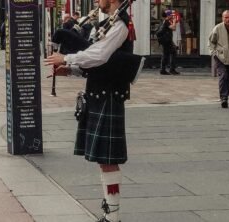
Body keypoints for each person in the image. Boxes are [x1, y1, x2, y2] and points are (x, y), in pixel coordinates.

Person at [45, 0, 136, 221]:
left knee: (107, 159)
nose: (96, 1)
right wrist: (70, 70)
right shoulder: (107, 23)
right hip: (99, 93)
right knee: (103, 160)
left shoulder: (121, 25)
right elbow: (96, 63)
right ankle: (110, 212)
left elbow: (99, 56)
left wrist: (66, 57)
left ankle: (113, 215)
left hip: (109, 96)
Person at [208, 10, 229, 108]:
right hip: (220, 57)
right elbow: (211, 42)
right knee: (223, 75)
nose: (227, 19)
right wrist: (214, 53)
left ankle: (226, 94)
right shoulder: (218, 28)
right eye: (225, 17)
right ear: (222, 18)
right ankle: (224, 98)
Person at [157, 10, 180, 75]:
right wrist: (175, 21)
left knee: (166, 54)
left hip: (167, 41)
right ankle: (170, 69)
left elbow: (172, 29)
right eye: (171, 15)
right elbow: (173, 28)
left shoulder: (164, 21)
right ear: (168, 16)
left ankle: (164, 69)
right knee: (170, 53)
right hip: (166, 41)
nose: (172, 16)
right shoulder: (166, 22)